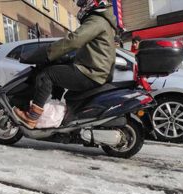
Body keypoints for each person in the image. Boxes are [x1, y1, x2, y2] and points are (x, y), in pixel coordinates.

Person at [14, 0, 117, 129]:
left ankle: (32, 117)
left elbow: (74, 40)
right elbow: (90, 50)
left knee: (47, 74)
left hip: (92, 73)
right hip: (96, 71)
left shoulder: (96, 21)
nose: (81, 8)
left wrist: (48, 52)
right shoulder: (103, 21)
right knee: (58, 71)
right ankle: (53, 109)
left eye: (83, 4)